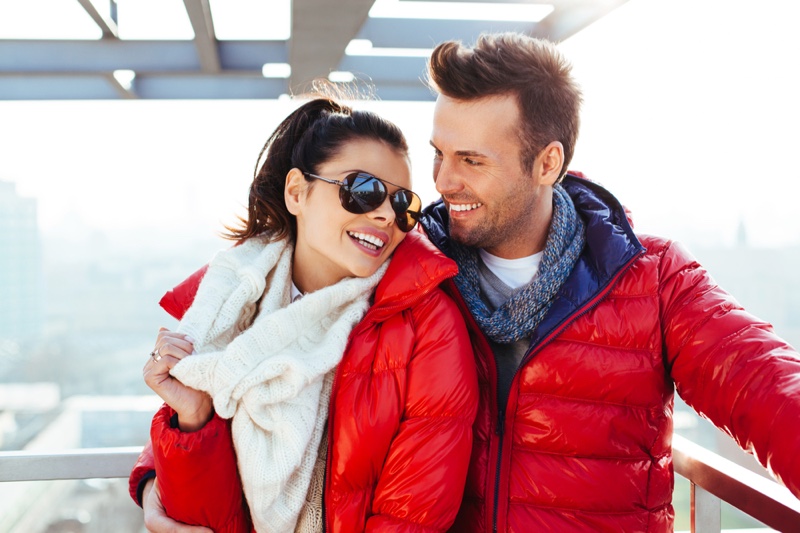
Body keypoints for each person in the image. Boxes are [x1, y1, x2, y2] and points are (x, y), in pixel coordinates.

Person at [419, 32, 800, 532]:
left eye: (471, 161)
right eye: (439, 153)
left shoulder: (652, 278)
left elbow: (765, 385)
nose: (443, 181)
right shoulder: (412, 274)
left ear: (547, 164)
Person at [128, 95, 479, 532]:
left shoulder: (427, 327)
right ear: (297, 191)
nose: (386, 214)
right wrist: (192, 418)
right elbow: (205, 519)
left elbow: (410, 520)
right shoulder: (226, 300)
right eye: (362, 189)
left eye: (403, 203)